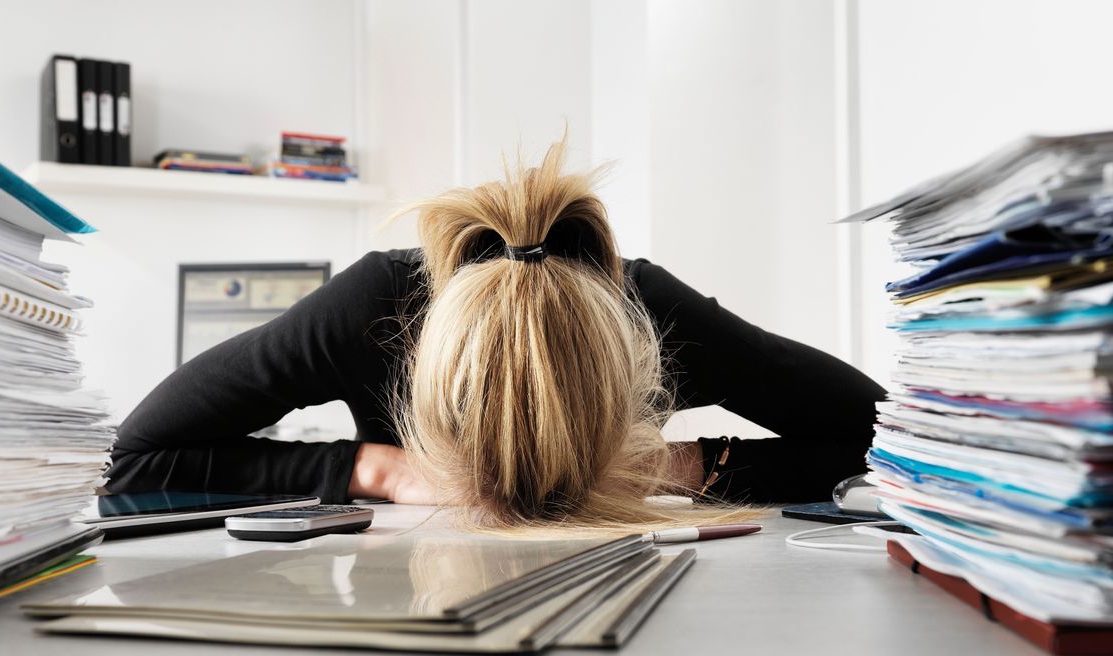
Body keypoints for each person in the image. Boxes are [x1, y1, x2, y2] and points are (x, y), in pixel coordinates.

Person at [106, 138, 884, 528]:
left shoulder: (647, 311)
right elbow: (134, 459)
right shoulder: (378, 307)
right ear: (424, 371)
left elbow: (900, 447)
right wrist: (371, 468)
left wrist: (682, 462)